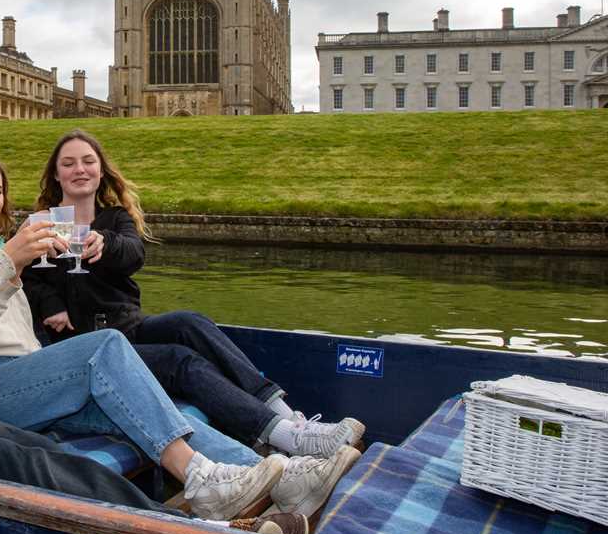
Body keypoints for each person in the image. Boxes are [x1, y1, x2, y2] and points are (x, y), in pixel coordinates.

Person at [0, 152, 360, 520]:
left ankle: (275, 476)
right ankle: (217, 477)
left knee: (146, 411)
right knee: (106, 347)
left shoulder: (7, 244)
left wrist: (21, 265)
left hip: (31, 374)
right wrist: (11, 266)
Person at [21, 129, 365, 460]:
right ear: (55, 173)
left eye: (88, 161)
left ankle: (289, 417)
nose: (79, 169)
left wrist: (106, 243)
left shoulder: (116, 219)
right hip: (87, 343)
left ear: (100, 170)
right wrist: (52, 303)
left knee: (190, 322)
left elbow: (133, 254)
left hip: (126, 326)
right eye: (68, 163)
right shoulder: (40, 224)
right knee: (179, 360)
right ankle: (285, 437)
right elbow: (21, 278)